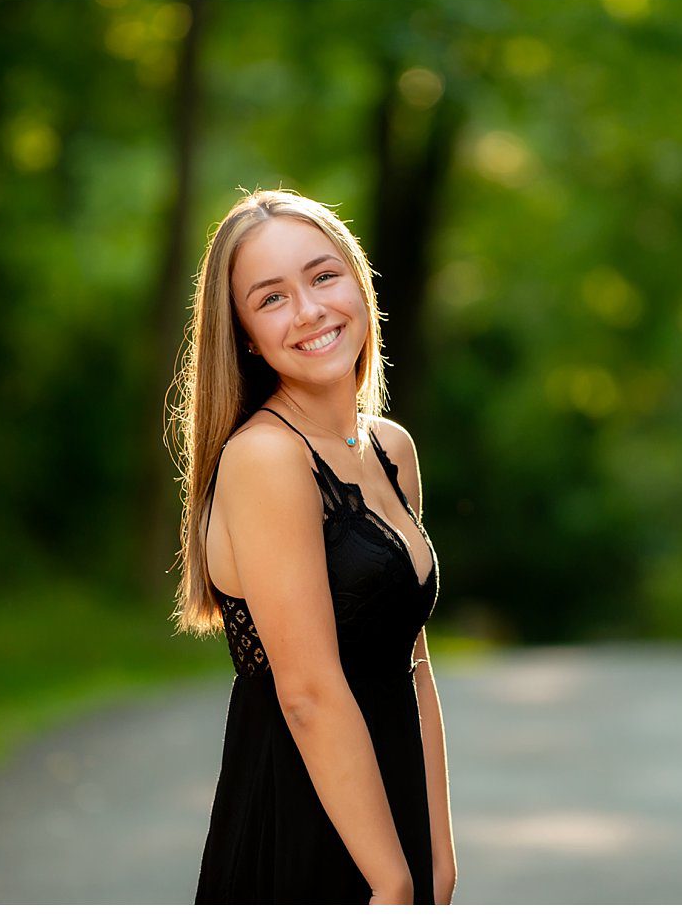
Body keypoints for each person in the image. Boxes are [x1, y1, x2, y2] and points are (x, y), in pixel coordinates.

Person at [168, 189, 455, 903]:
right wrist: (388, 880)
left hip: (390, 820)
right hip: (299, 824)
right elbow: (307, 694)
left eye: (323, 276)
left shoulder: (390, 447)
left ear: (359, 282)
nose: (309, 311)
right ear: (243, 335)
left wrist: (436, 854)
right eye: (271, 298)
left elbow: (414, 663)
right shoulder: (265, 458)